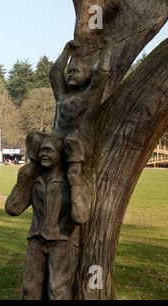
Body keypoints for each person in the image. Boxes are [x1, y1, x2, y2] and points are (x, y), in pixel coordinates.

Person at [7, 136, 85, 300]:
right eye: (42, 150)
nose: (44, 153)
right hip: (36, 240)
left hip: (63, 242)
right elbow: (12, 209)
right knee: (29, 290)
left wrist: (75, 182)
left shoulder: (70, 181)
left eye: (49, 150)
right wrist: (23, 180)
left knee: (58, 291)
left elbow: (81, 216)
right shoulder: (36, 181)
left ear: (60, 154)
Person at [49, 37, 114, 223]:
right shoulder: (62, 94)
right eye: (69, 72)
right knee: (35, 139)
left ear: (86, 75)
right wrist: (66, 51)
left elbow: (102, 72)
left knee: (72, 141)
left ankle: (76, 188)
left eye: (75, 72)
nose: (70, 75)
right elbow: (54, 73)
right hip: (59, 139)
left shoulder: (90, 95)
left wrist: (108, 47)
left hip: (80, 142)